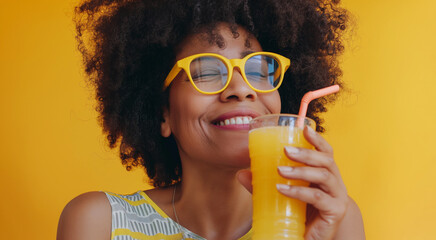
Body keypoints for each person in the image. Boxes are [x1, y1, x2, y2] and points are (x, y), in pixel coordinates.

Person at [57, 0, 365, 239]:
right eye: (206, 71)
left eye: (257, 69)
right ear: (163, 113)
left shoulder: (333, 218)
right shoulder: (99, 223)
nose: (241, 89)